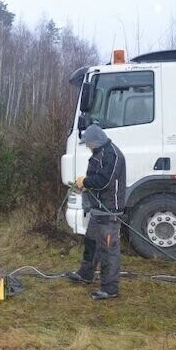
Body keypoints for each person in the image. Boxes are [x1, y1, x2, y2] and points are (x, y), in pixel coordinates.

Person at [66, 124, 126, 300]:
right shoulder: (98, 153)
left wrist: (85, 182)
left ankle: (109, 288)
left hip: (109, 210)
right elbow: (96, 180)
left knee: (108, 250)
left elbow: (104, 181)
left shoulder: (112, 155)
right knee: (91, 242)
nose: (87, 146)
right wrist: (84, 187)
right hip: (97, 209)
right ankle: (86, 274)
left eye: (88, 143)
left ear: (96, 141)